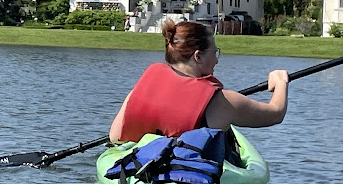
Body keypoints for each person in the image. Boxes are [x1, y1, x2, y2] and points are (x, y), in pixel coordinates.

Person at [109, 20, 289, 143]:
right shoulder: (224, 102)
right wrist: (281, 81)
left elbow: (115, 136)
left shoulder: (142, 86)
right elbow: (275, 113)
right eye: (215, 53)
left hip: (137, 175)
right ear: (198, 56)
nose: (217, 60)